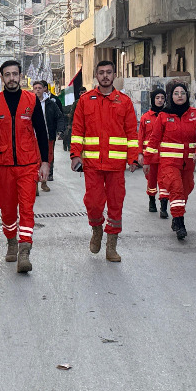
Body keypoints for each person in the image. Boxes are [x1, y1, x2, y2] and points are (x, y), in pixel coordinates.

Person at [0, 60, 50, 273]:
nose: (11, 78)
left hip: (28, 164)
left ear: (20, 76)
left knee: (27, 208)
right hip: (3, 165)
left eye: (15, 74)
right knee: (8, 209)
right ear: (2, 78)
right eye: (7, 75)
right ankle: (11, 240)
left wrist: (45, 162)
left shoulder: (31, 100)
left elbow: (42, 131)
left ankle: (24, 250)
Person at [70, 60, 139, 261]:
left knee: (116, 204)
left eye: (109, 72)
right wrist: (75, 155)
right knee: (93, 203)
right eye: (101, 72)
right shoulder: (85, 100)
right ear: (96, 75)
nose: (105, 76)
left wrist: (133, 158)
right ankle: (97, 229)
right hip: (92, 164)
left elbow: (131, 133)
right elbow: (77, 130)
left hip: (116, 166)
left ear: (114, 75)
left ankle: (111, 245)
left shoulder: (124, 102)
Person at [145, 81, 196, 240]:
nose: (180, 96)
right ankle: (180, 222)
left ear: (187, 95)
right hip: (169, 163)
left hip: (188, 164)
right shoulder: (163, 116)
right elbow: (154, 140)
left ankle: (176, 217)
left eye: (182, 93)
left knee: (186, 189)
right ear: (171, 96)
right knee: (176, 188)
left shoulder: (195, 114)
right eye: (176, 93)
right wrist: (147, 161)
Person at [138, 87, 166, 215]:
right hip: (150, 157)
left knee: (165, 181)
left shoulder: (168, 116)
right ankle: (152, 201)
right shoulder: (145, 118)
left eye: (162, 98)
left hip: (165, 156)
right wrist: (140, 154)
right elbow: (140, 137)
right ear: (153, 100)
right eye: (157, 98)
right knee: (151, 181)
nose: (160, 100)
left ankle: (164, 207)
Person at [33, 80, 63, 191]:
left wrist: (60, 130)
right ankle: (35, 183)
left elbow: (59, 117)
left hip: (48, 136)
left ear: (44, 89)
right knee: (35, 161)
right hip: (34, 138)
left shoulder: (51, 103)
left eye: (39, 88)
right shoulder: (29, 103)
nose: (37, 90)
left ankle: (44, 182)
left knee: (47, 159)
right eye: (35, 88)